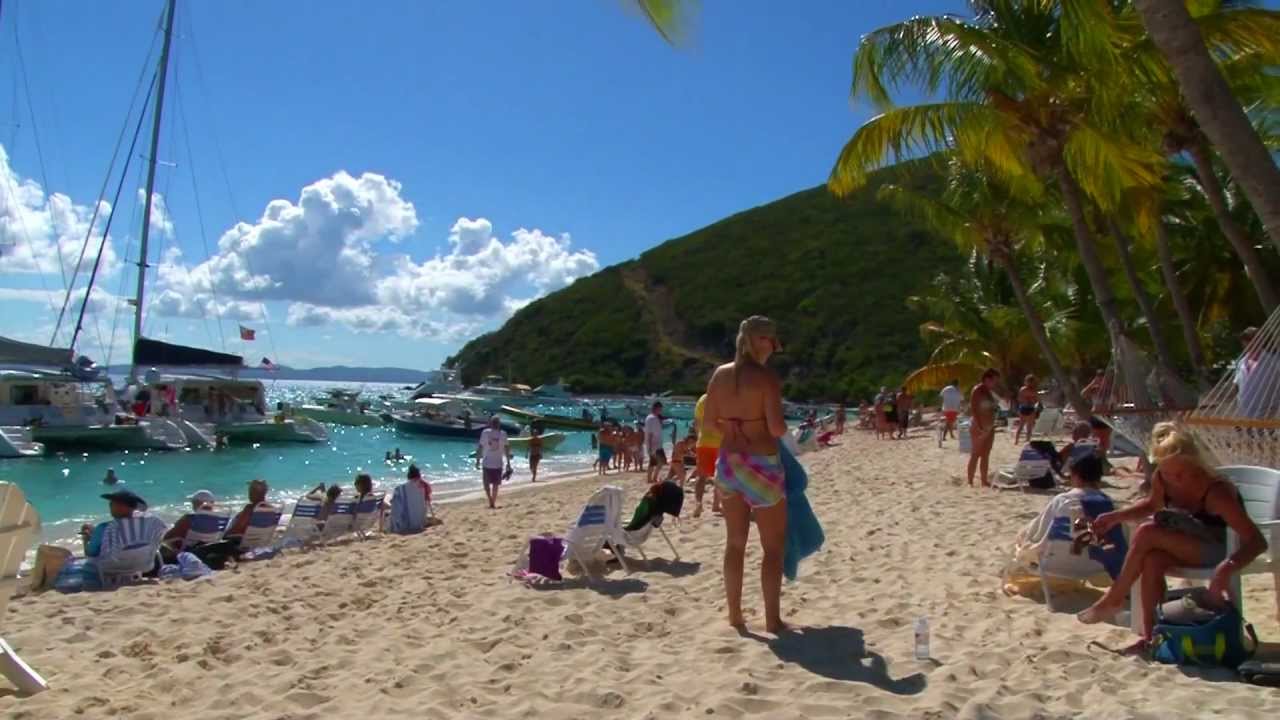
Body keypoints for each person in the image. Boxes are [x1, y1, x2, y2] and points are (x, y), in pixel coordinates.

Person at [1077, 423, 1269, 650]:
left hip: (1221, 549)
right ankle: (1153, 638)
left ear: (1195, 464)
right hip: (1191, 541)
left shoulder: (1216, 492)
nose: (1175, 479)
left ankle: (1115, 597)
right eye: (1168, 473)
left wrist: (1227, 567)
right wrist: (1114, 517)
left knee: (1147, 532)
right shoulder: (1163, 479)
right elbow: (1151, 505)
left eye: (1182, 473)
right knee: (1152, 559)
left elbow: (1257, 541)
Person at [704, 316, 789, 633]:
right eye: (771, 340)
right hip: (762, 464)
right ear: (759, 341)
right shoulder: (766, 378)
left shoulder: (719, 374)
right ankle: (772, 620)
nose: (775, 347)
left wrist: (734, 425)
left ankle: (735, 616)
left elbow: (708, 425)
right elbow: (778, 428)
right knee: (773, 547)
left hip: (729, 463)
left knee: (735, 543)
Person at [79, 489, 150, 558]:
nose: (109, 505)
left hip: (108, 568)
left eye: (112, 503)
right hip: (140, 566)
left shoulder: (104, 528)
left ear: (121, 507)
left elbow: (91, 554)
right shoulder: (144, 526)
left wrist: (85, 541)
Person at [966, 369, 1000, 487]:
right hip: (979, 425)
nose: (995, 383)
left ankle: (984, 480)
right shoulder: (978, 390)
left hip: (989, 425)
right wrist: (980, 426)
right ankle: (970, 481)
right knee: (975, 454)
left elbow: (990, 408)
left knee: (986, 454)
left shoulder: (989, 392)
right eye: (994, 381)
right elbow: (974, 408)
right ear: (987, 379)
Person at [1237, 326, 1279, 418]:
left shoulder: (1273, 362)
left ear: (1261, 341)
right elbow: (1239, 388)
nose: (1249, 342)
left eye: (1253, 338)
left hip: (1267, 416)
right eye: (1247, 339)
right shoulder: (1241, 363)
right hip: (1246, 416)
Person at [693, 393, 723, 519]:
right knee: (720, 476)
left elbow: (696, 423)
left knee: (701, 476)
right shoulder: (724, 398)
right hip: (721, 442)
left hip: (704, 441)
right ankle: (716, 505)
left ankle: (698, 503)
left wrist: (699, 436)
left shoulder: (702, 399)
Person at [476, 416, 510, 509]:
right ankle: (492, 502)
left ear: (491, 423)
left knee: (486, 484)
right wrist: (508, 463)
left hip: (487, 462)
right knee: (495, 484)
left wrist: (477, 461)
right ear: (499, 424)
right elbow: (507, 449)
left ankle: (490, 500)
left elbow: (480, 447)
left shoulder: (485, 432)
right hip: (498, 463)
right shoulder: (503, 434)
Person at [1013, 374, 1040, 445]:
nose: (1030, 383)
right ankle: (1016, 440)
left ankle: (1027, 441)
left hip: (1031, 408)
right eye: (1029, 382)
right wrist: (1026, 400)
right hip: (1024, 408)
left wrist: (1032, 400)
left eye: (1031, 382)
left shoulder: (1034, 390)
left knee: (1029, 427)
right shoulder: (1023, 389)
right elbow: (1019, 399)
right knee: (1021, 425)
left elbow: (1037, 400)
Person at [644, 402, 667, 484]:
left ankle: (652, 478)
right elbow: (649, 433)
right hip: (654, 444)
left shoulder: (655, 418)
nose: (660, 411)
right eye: (660, 409)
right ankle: (650, 478)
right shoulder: (651, 418)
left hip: (658, 444)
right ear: (656, 408)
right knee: (655, 462)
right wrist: (649, 447)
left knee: (658, 462)